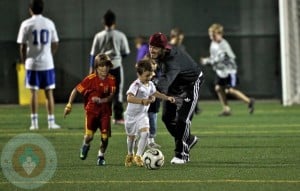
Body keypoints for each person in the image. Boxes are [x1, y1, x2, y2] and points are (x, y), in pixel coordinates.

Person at [148, 32, 204, 164]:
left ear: (163, 49)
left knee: (183, 120)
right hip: (176, 82)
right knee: (167, 118)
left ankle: (182, 154)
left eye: (155, 47)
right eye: (150, 46)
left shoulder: (172, 62)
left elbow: (163, 84)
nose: (152, 50)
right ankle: (188, 139)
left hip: (191, 83)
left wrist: (150, 95)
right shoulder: (161, 54)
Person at [64, 53, 116, 166]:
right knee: (89, 137)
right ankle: (85, 145)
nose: (104, 68)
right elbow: (76, 90)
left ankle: (101, 156)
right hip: (91, 113)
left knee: (105, 138)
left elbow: (111, 96)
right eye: (101, 66)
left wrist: (101, 101)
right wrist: (69, 105)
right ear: (96, 67)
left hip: (105, 113)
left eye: (107, 65)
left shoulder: (111, 79)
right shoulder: (90, 79)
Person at [17, 0, 60, 130]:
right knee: (49, 93)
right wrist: (49, 54)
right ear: (42, 8)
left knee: (33, 93)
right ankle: (51, 122)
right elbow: (55, 43)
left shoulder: (26, 24)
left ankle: (34, 123)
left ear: (30, 9)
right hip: (47, 62)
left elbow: (22, 46)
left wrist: (25, 61)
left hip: (32, 64)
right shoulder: (49, 23)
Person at [124, 59, 175, 167]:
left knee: (146, 133)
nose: (149, 78)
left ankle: (138, 156)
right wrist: (142, 101)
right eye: (146, 75)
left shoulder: (150, 84)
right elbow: (129, 98)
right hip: (131, 116)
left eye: (150, 75)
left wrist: (167, 97)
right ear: (139, 74)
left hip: (142, 115)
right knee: (131, 138)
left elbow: (155, 93)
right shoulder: (136, 85)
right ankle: (130, 154)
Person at [200, 23, 255, 116]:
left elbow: (218, 59)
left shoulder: (223, 45)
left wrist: (206, 61)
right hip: (221, 71)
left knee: (230, 90)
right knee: (218, 88)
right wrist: (208, 60)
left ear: (220, 34)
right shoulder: (213, 44)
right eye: (210, 35)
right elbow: (214, 57)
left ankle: (249, 101)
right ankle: (226, 109)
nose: (212, 37)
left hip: (230, 71)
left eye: (213, 35)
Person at [89, 9, 130, 125]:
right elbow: (126, 52)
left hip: (102, 68)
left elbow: (93, 54)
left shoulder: (98, 36)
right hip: (116, 66)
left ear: (103, 22)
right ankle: (118, 118)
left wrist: (92, 69)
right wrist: (116, 57)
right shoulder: (120, 35)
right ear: (114, 22)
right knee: (117, 92)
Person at [134, 36, 161, 148]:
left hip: (153, 105)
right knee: (141, 122)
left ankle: (151, 140)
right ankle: (136, 138)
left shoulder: (158, 74)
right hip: (142, 105)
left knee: (153, 122)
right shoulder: (141, 79)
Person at [169, 27, 201, 114]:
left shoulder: (181, 47)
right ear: (173, 36)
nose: (180, 41)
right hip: (173, 75)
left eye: (181, 39)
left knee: (191, 88)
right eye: (179, 38)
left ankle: (194, 107)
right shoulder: (168, 48)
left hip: (181, 74)